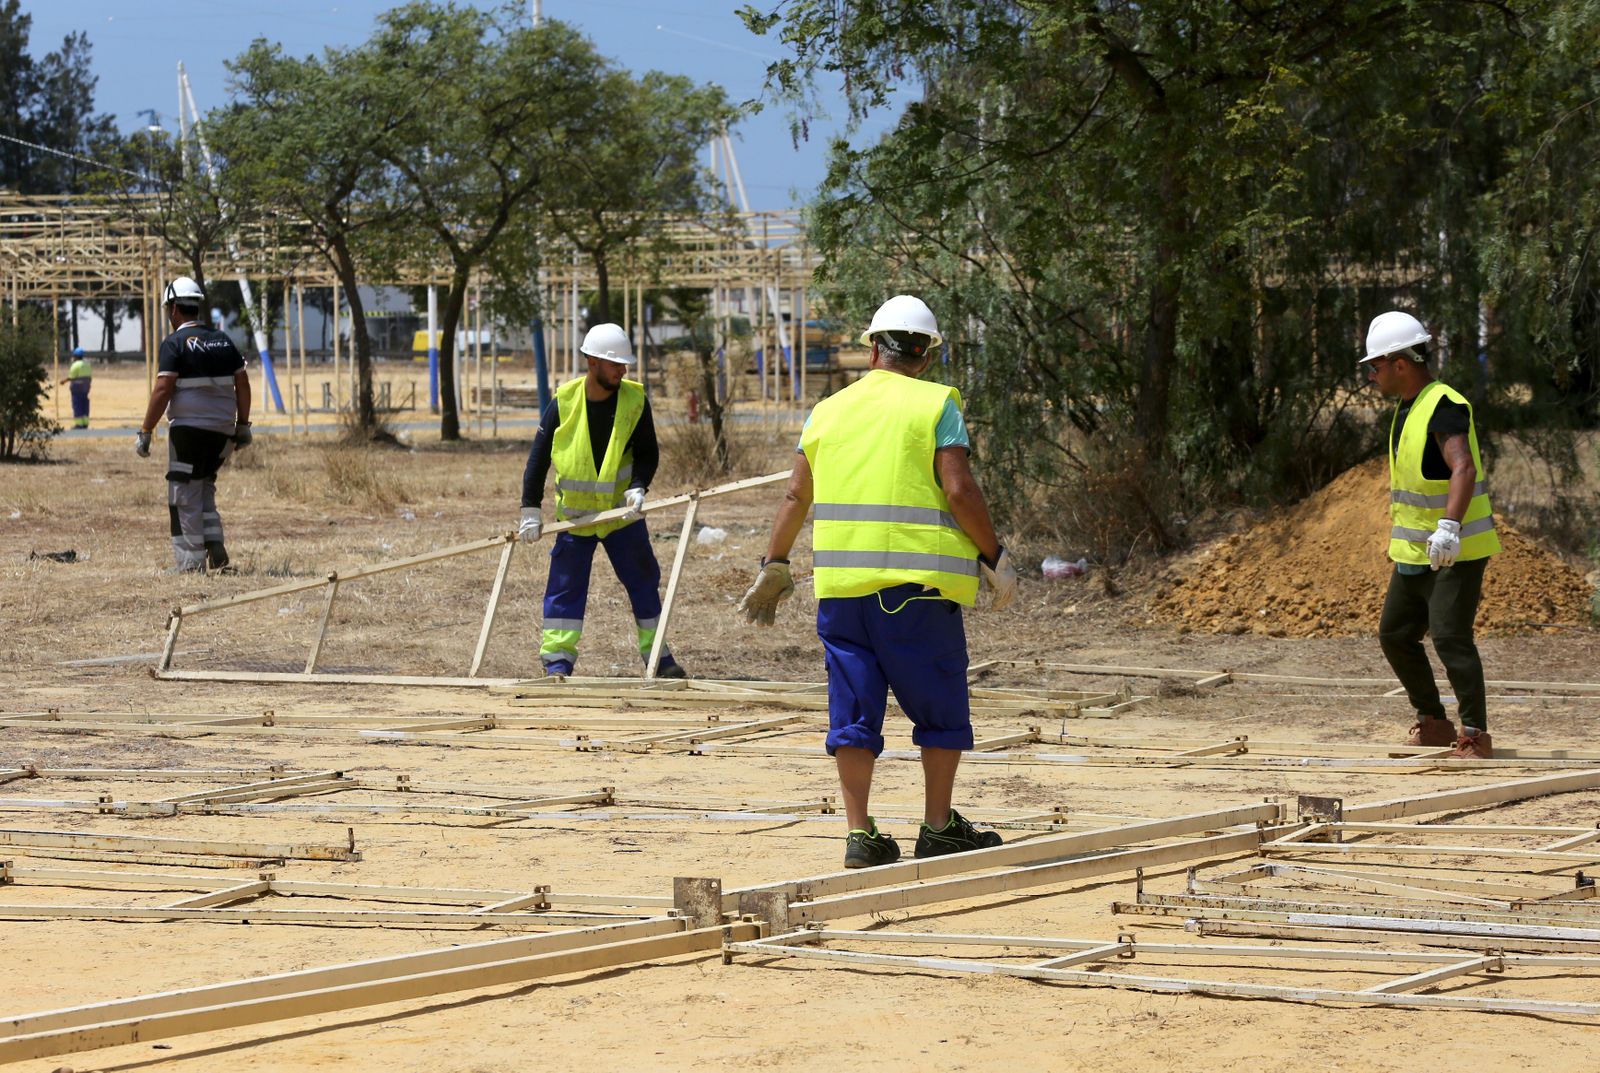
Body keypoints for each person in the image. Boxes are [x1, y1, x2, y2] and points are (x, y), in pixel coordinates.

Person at [738, 294, 1019, 868]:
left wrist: (775, 563)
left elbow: (797, 494)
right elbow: (959, 490)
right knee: (940, 707)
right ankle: (938, 825)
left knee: (853, 709)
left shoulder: (827, 412)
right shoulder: (936, 404)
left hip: (841, 594)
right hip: (916, 592)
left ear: (873, 348)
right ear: (926, 354)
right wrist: (994, 555)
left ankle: (860, 834)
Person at [1361, 310, 1501, 759]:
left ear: (1401, 363)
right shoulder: (1409, 407)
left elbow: (1463, 465)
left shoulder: (1444, 404)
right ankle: (1434, 722)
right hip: (1416, 550)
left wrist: (1449, 528)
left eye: (1376, 365)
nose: (1372, 374)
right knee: (1396, 634)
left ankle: (1475, 735)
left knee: (1448, 636)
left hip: (1455, 548)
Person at [518, 323, 686, 679]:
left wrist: (639, 485)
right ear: (593, 362)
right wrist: (530, 510)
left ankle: (658, 656)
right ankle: (557, 662)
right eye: (616, 364)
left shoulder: (634, 400)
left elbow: (647, 454)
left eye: (624, 364)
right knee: (565, 590)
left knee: (643, 581)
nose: (623, 370)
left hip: (621, 516)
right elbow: (538, 459)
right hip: (575, 519)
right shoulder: (564, 401)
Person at [136, 276, 253, 574]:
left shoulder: (174, 344)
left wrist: (146, 430)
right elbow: (243, 382)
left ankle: (189, 565)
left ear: (174, 309)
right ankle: (215, 546)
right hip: (222, 433)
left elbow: (163, 389)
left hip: (188, 432)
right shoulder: (223, 340)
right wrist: (243, 425)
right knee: (203, 487)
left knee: (183, 496)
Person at [59, 347, 92, 429]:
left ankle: (79, 424)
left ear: (75, 356)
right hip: (86, 388)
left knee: (77, 405)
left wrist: (63, 381)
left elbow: (71, 377)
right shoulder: (87, 364)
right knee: (85, 404)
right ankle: (85, 423)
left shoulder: (75, 365)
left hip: (77, 388)